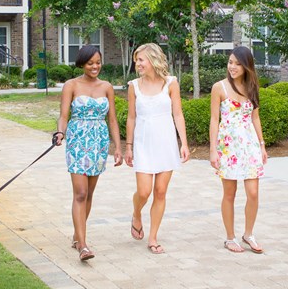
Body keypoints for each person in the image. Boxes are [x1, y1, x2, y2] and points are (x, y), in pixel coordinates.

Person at [56, 45, 122, 262]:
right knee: (81, 193)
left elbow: (112, 119)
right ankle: (83, 246)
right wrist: (60, 132)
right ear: (82, 64)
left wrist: (118, 148)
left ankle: (77, 235)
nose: (95, 66)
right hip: (77, 141)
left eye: (98, 62)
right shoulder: (71, 85)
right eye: (90, 63)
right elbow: (64, 115)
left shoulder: (107, 87)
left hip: (99, 142)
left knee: (90, 193)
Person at [124, 43, 189, 255]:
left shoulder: (171, 83)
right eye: (136, 60)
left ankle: (152, 238)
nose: (137, 64)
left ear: (153, 60)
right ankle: (136, 213)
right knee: (144, 192)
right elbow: (131, 117)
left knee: (160, 192)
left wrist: (184, 143)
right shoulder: (133, 86)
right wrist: (129, 146)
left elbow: (178, 114)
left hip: (166, 143)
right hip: (143, 143)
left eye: (141, 59)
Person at [209, 46, 267, 253]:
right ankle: (229, 237)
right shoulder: (220, 88)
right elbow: (214, 120)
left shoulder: (252, 87)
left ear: (246, 66)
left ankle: (248, 234)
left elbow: (255, 117)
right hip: (228, 147)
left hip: (250, 146)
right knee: (230, 193)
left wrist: (262, 145)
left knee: (253, 193)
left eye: (237, 63)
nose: (232, 67)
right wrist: (213, 150)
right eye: (230, 62)